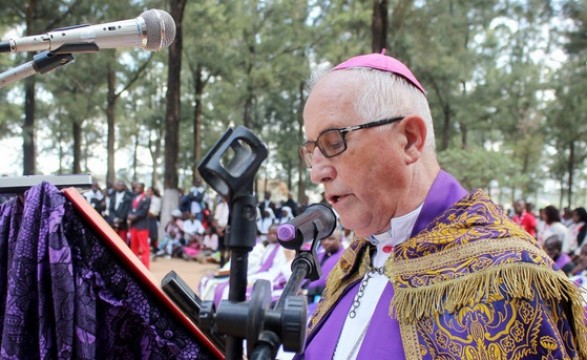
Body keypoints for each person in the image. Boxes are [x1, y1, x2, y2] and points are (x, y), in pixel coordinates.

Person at [296, 52, 587, 359]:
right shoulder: (355, 261)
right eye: (312, 151)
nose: (317, 172)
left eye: (333, 143)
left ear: (410, 140)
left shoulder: (510, 279)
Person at [127, 182, 151, 269]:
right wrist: (129, 215)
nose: (136, 189)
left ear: (143, 188)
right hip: (134, 225)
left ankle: (145, 266)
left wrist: (134, 216)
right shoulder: (134, 198)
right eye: (136, 188)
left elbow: (144, 211)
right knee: (134, 246)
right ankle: (135, 265)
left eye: (138, 188)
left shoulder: (147, 198)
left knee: (144, 247)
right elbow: (130, 209)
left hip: (142, 226)